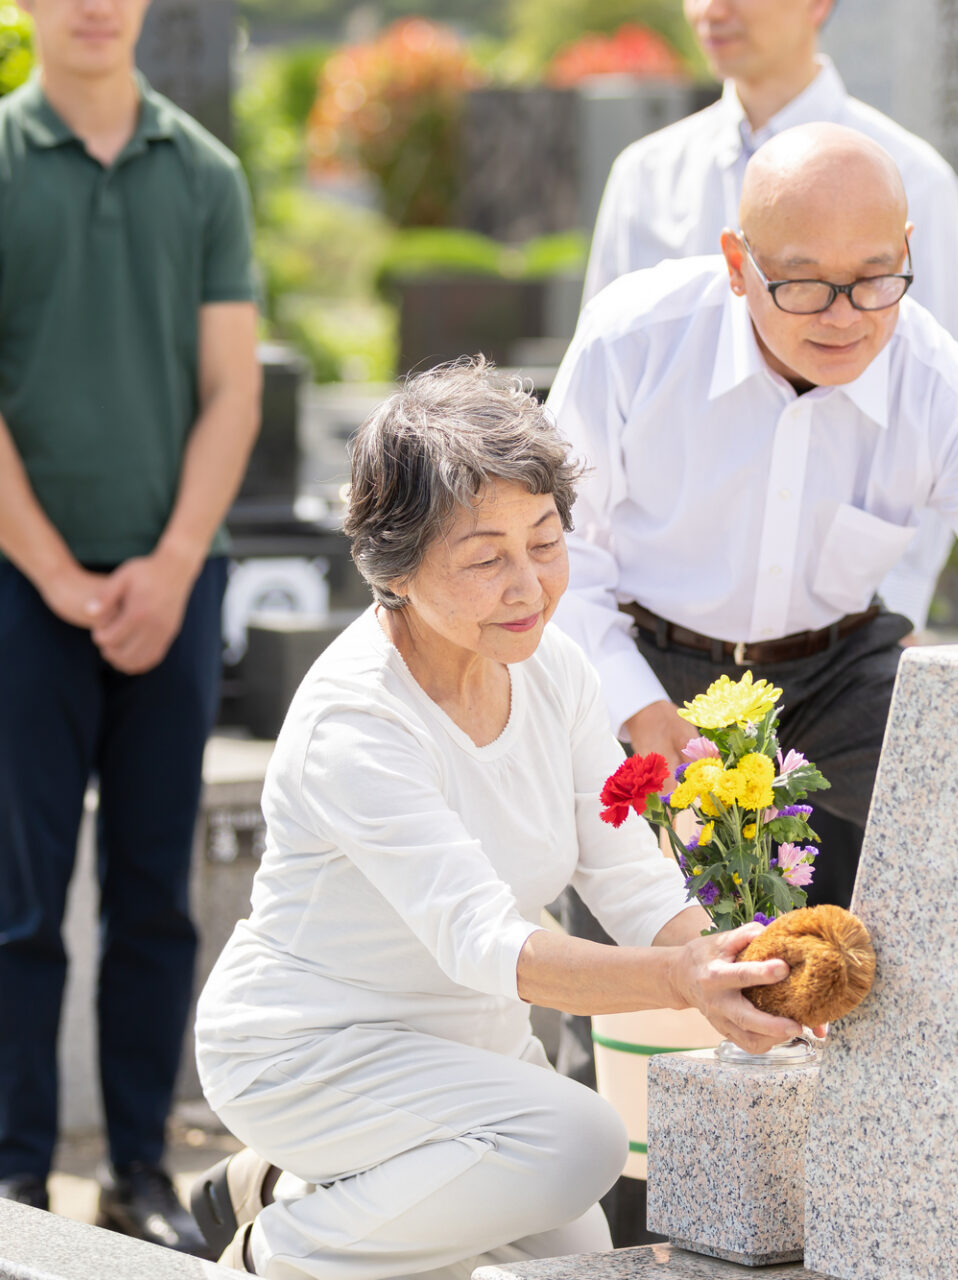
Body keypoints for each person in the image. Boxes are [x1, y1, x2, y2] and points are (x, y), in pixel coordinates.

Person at [188, 360, 805, 1280]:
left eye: (547, 543)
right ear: (392, 569)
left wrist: (732, 968)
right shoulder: (357, 720)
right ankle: (272, 1250)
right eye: (485, 558)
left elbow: (631, 878)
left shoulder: (550, 667)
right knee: (581, 1144)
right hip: (312, 1051)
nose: (529, 587)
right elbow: (483, 941)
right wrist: (681, 981)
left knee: (574, 1255)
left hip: (470, 1059)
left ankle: (284, 1189)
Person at [550, 123, 958, 911]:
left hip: (834, 672)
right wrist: (635, 704)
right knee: (628, 902)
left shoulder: (944, 387)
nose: (843, 317)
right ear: (739, 264)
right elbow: (558, 552)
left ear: (907, 251)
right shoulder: (634, 338)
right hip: (651, 654)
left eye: (875, 278)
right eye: (802, 284)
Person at [0, 0, 261, 1252]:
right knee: (19, 897)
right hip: (15, 588)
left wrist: (171, 564)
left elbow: (232, 388)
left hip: (177, 578)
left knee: (156, 892)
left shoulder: (205, 174)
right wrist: (58, 574)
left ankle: (136, 1168)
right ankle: (14, 1179)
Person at [585, 0, 958, 632]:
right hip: (654, 630)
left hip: (844, 636)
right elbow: (592, 415)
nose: (711, 10)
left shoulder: (917, 179)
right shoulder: (646, 176)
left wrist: (891, 623)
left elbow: (942, 415)